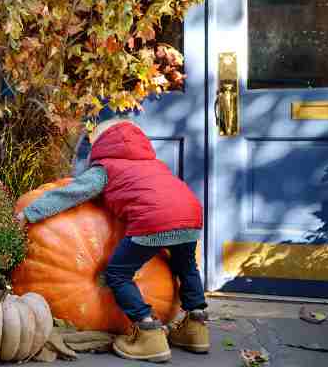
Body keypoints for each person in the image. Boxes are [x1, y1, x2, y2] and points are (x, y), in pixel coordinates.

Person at [16, 118, 209, 363]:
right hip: (190, 214)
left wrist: (30, 213)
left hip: (154, 219)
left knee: (117, 274)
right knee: (187, 267)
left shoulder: (106, 167)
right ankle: (197, 327)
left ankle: (148, 332)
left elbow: (73, 193)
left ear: (101, 146)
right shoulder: (155, 165)